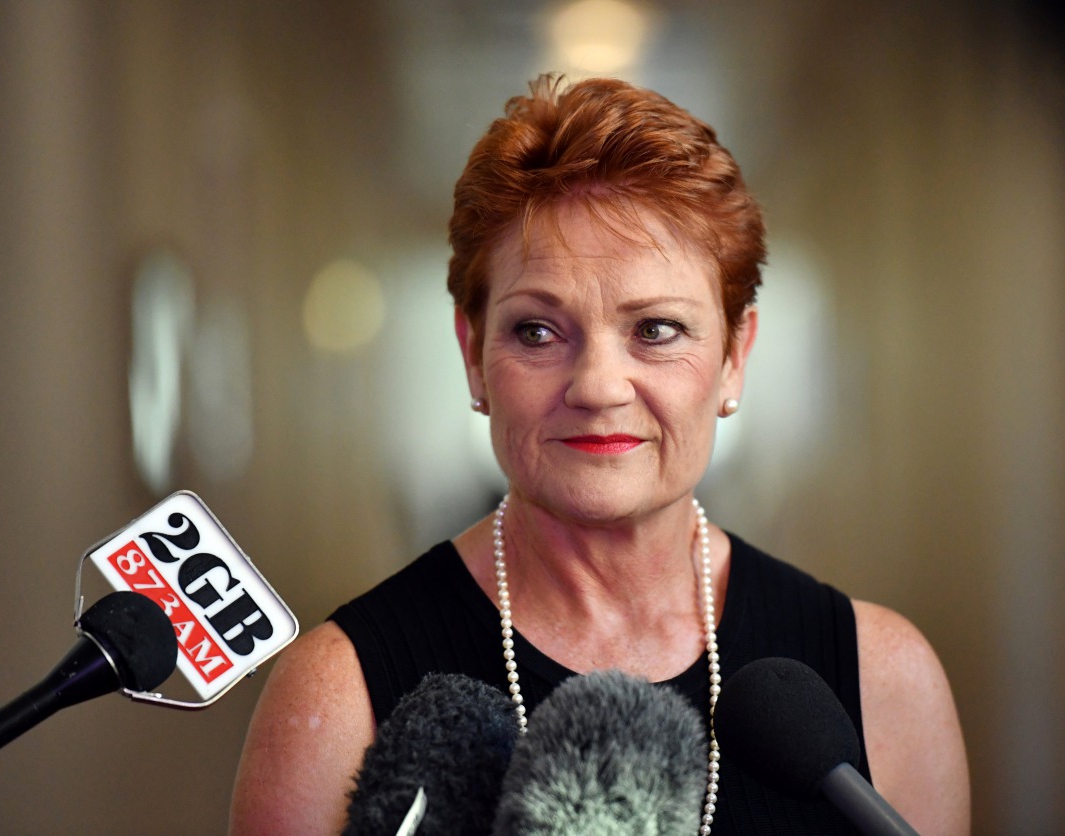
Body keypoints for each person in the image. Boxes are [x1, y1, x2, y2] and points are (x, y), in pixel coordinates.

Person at [229, 74, 969, 835]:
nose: (598, 388)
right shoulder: (338, 691)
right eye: (538, 332)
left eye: (656, 330)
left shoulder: (881, 678)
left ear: (735, 358)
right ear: (474, 357)